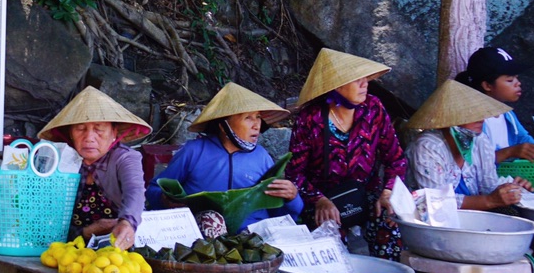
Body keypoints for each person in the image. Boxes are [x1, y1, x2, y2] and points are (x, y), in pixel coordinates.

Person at [286, 49, 406, 259]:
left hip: (365, 193)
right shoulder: (310, 119)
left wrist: (387, 193)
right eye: (356, 80)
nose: (365, 84)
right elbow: (294, 175)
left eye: (365, 78)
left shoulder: (373, 109)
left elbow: (395, 159)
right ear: (336, 86)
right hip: (324, 199)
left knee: (388, 222)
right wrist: (320, 200)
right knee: (328, 238)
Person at [149, 83, 301, 227]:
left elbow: (279, 215)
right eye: (248, 118)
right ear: (223, 126)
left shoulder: (262, 157)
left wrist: (292, 198)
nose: (256, 125)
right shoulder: (194, 151)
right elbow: (154, 190)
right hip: (203, 241)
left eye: (258, 117)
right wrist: (164, 200)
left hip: (253, 240)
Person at [39, 86, 149, 249]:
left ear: (114, 133)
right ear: (70, 133)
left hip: (117, 246)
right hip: (67, 245)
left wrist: (127, 222)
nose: (89, 137)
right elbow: (45, 217)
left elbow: (135, 191)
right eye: (81, 129)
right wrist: (86, 232)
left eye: (99, 129)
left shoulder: (125, 158)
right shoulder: (59, 159)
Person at [405, 79, 532, 209]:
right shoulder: (428, 146)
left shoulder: (480, 141)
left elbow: (489, 187)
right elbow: (435, 201)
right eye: (470, 114)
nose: (480, 118)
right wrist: (490, 201)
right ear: (450, 119)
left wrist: (511, 189)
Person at [454, 46, 534, 165]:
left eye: (517, 78)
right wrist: (509, 152)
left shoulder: (507, 115)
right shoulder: (471, 119)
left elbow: (531, 148)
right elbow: (467, 162)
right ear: (487, 85)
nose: (518, 83)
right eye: (510, 80)